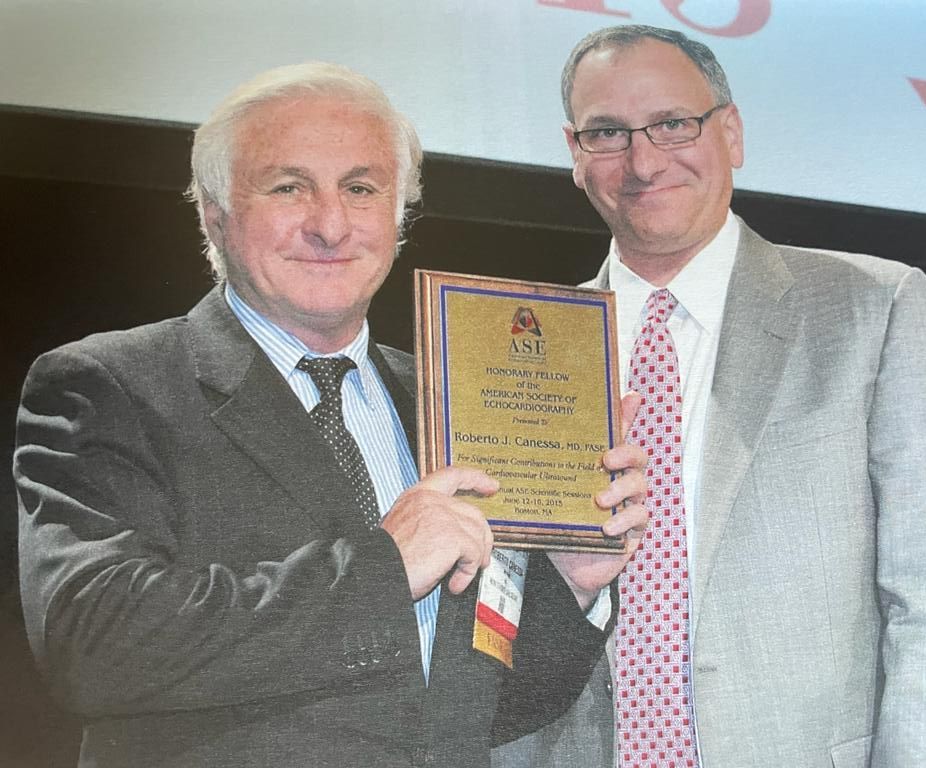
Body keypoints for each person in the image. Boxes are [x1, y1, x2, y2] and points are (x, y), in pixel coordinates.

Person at [13, 62, 648, 768]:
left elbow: (488, 708)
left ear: (399, 215)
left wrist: (572, 582)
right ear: (214, 213)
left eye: (362, 188)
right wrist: (384, 569)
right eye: (289, 187)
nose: (331, 224)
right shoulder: (113, 385)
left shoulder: (449, 402)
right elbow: (93, 647)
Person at [493, 24, 926, 768]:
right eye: (608, 133)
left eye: (673, 123)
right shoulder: (520, 350)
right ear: (575, 155)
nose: (643, 160)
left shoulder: (874, 309)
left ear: (730, 132)